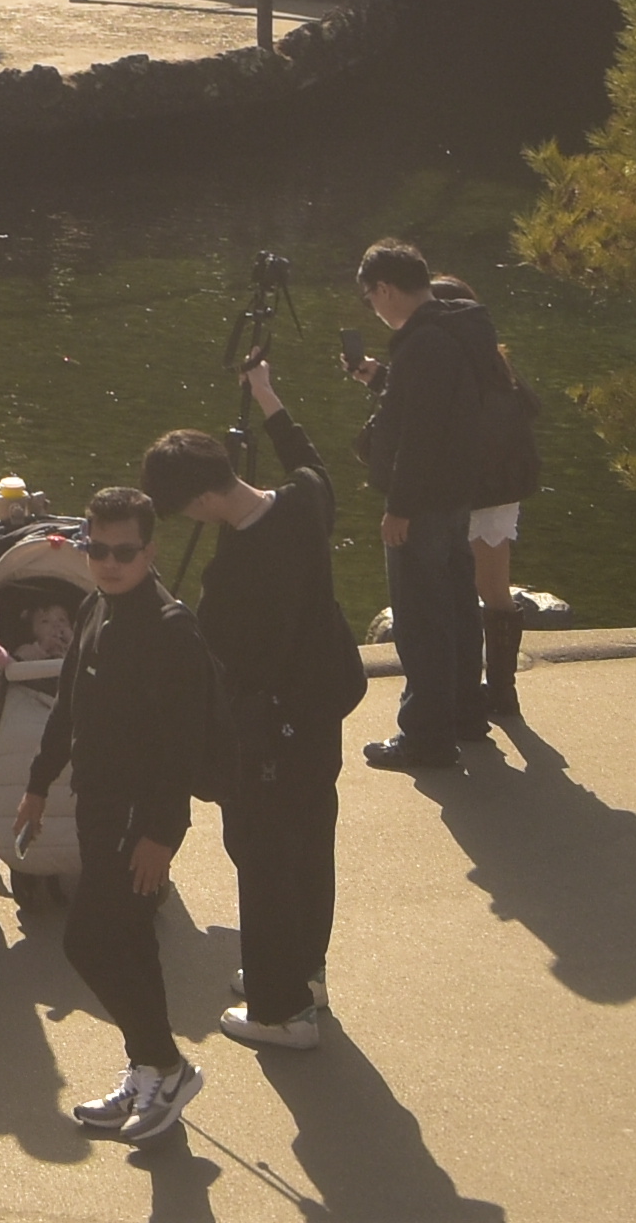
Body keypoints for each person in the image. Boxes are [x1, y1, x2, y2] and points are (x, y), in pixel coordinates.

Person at [148, 355, 360, 1051]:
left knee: (264, 857)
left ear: (203, 502)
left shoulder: (237, 570)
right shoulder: (302, 501)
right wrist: (270, 398)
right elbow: (314, 463)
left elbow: (220, 663)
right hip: (321, 709)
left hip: (270, 728)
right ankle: (304, 975)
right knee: (310, 843)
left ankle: (279, 1010)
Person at [14, 484, 229, 1146]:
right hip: (97, 807)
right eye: (97, 548)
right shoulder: (96, 609)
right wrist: (39, 783)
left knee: (89, 942)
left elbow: (184, 746)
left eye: (123, 552)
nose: (108, 562)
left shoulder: (170, 630)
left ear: (150, 550)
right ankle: (147, 1071)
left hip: (141, 820)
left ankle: (169, 1064)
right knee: (133, 946)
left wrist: (162, 834)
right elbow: (70, 707)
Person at [348, 237, 510, 769]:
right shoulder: (458, 330)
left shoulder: (423, 345)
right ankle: (465, 713)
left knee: (421, 619)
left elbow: (419, 435)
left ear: (387, 289)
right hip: (459, 494)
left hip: (425, 502)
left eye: (372, 296)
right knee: (458, 608)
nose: (374, 308)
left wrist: (400, 507)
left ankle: (425, 734)